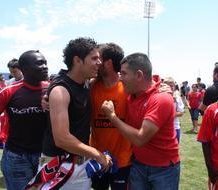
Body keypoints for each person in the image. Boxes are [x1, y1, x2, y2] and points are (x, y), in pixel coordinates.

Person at [38, 37, 112, 190]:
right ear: (78, 60)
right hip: (58, 166)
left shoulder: (85, 83)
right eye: (94, 58)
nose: (99, 62)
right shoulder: (60, 90)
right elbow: (62, 139)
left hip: (80, 164)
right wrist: (97, 154)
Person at [101, 53, 180, 190]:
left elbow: (140, 139)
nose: (120, 79)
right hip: (138, 165)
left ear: (138, 75)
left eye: (124, 74)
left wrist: (112, 116)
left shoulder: (161, 99)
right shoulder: (132, 94)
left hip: (163, 170)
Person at [0, 50, 49, 190]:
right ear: (24, 69)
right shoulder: (8, 92)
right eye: (39, 63)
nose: (45, 66)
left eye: (45, 63)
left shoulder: (53, 90)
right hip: (17, 157)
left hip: (46, 156)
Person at [90, 43, 132, 190]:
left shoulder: (129, 88)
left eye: (98, 59)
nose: (95, 63)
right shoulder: (91, 86)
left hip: (123, 160)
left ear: (107, 63)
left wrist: (162, 88)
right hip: (97, 158)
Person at [164, 77, 184, 143]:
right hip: (162, 128)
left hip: (175, 127)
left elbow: (181, 113)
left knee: (174, 149)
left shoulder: (178, 98)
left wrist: (168, 115)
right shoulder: (159, 97)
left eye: (172, 85)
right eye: (168, 85)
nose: (170, 87)